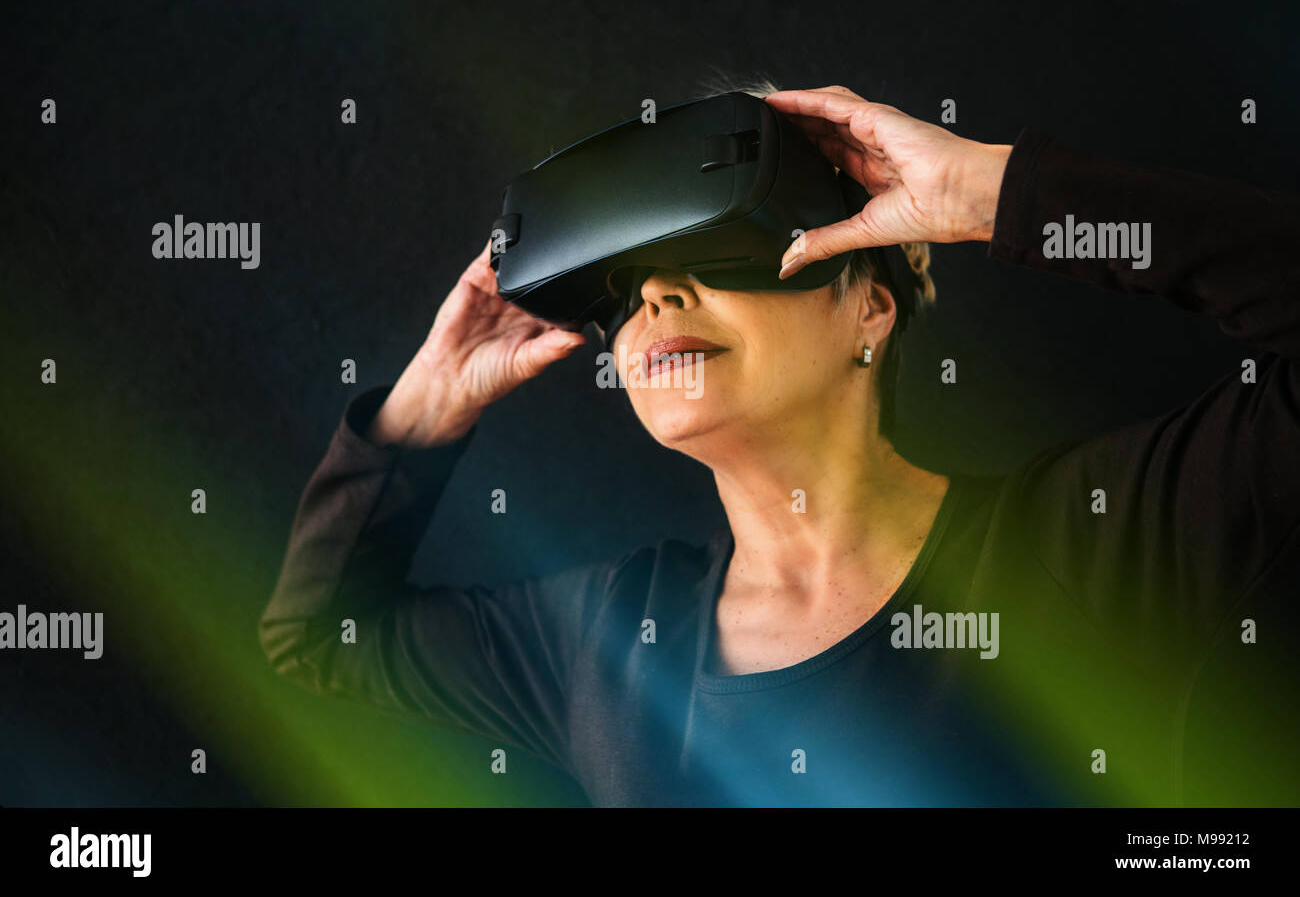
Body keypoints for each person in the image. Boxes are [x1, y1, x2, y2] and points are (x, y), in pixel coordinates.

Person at [259, 83, 1300, 806]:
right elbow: (316, 631)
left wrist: (992, 193)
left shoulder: (1096, 538)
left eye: (719, 251)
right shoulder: (609, 642)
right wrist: (432, 398)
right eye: (623, 289)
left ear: (869, 307)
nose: (656, 297)